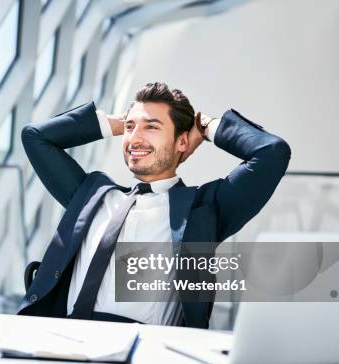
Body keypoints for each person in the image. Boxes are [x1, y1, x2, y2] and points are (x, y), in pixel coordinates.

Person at [17, 82, 291, 328]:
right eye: (130, 127)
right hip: (64, 342)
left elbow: (271, 153)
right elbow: (36, 137)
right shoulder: (91, 194)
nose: (135, 137)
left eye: (151, 126)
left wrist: (206, 126)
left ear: (183, 141)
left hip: (146, 358)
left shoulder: (204, 208)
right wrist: (119, 123)